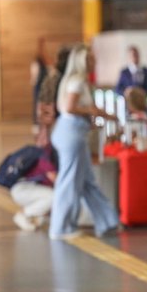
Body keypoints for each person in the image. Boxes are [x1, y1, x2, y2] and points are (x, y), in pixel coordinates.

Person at [49, 45, 120, 240]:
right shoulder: (77, 81)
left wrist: (107, 116)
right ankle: (61, 227)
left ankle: (107, 222)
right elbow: (69, 107)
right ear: (82, 61)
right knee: (69, 181)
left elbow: (87, 107)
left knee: (87, 181)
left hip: (75, 133)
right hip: (70, 134)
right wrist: (91, 112)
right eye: (91, 60)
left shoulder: (80, 82)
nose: (94, 63)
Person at [10, 144, 57, 232]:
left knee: (50, 196)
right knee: (53, 196)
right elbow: (56, 180)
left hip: (26, 189)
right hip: (23, 189)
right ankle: (23, 215)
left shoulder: (48, 155)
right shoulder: (47, 158)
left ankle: (35, 219)